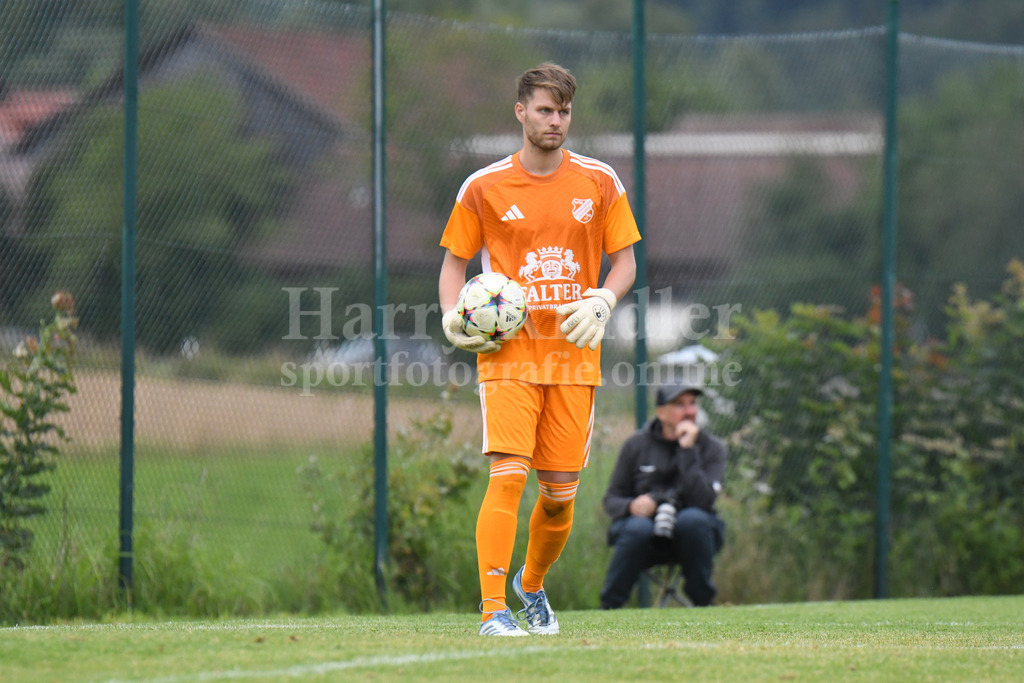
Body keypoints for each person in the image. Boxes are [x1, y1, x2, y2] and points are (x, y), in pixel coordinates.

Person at [438, 63, 641, 636]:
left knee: (558, 496)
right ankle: (492, 610)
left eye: (565, 111)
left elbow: (625, 260)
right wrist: (453, 315)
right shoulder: (483, 187)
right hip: (507, 355)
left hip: (574, 358)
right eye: (546, 110)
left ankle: (530, 585)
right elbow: (454, 265)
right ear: (520, 111)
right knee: (507, 473)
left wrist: (604, 297)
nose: (556, 121)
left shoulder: (600, 182)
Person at [600, 382, 727, 608]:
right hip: (643, 537)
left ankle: (704, 603)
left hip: (691, 538)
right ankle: (609, 607)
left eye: (692, 404)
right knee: (638, 527)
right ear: (661, 412)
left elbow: (705, 501)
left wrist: (688, 451)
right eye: (679, 404)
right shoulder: (635, 445)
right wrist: (631, 506)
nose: (689, 411)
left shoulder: (712, 448)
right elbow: (611, 499)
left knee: (694, 519)